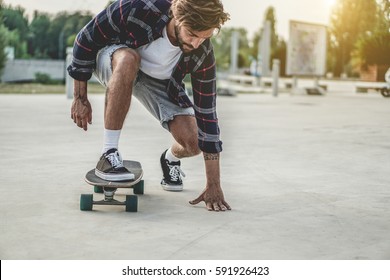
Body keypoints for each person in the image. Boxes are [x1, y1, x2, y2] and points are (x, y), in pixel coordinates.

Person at [67, 0, 231, 212]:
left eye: (204, 37)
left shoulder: (202, 53)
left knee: (194, 142)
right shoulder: (141, 7)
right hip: (117, 58)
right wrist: (80, 97)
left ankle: (169, 159)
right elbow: (86, 38)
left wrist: (213, 184)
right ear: (177, 17)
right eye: (192, 33)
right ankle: (109, 154)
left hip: (160, 82)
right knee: (128, 59)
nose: (197, 43)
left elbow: (208, 114)